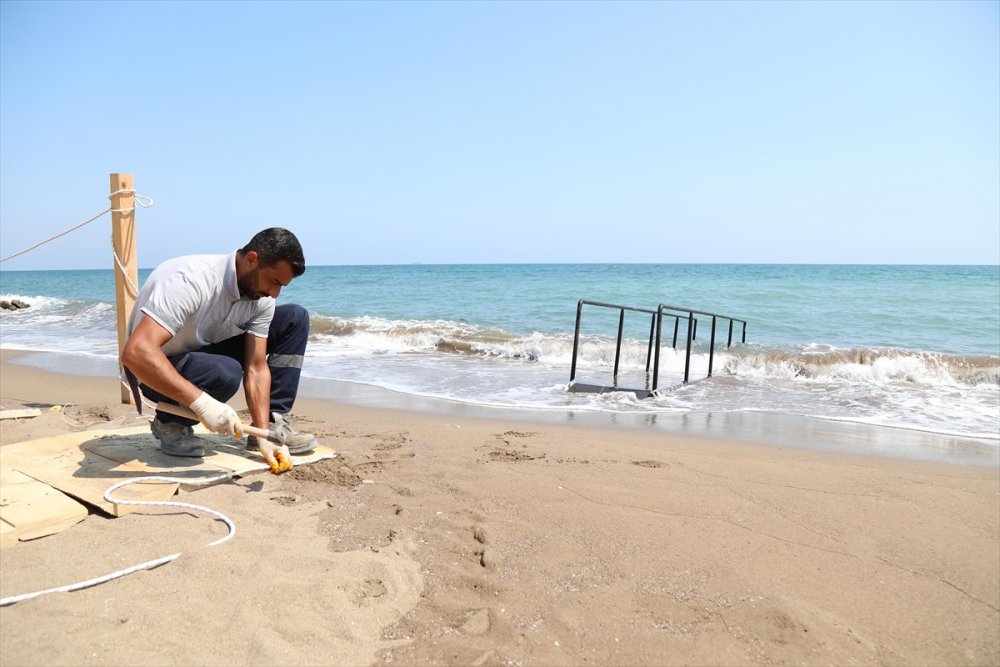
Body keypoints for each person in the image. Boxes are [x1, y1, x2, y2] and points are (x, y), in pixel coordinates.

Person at [121, 227, 315, 466]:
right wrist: (202, 403)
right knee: (225, 372)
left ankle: (272, 425)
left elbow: (256, 366)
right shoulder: (190, 279)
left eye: (282, 286)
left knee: (294, 318)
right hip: (153, 367)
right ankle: (171, 422)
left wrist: (264, 434)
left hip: (201, 354)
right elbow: (136, 352)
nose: (274, 294)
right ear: (252, 259)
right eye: (274, 282)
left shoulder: (261, 299)